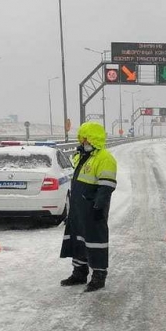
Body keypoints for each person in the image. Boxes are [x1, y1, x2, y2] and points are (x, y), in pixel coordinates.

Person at [59, 121, 117, 292]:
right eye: (81, 139)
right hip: (78, 209)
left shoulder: (104, 158)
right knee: (77, 239)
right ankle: (79, 273)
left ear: (93, 139)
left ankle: (99, 276)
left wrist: (98, 207)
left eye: (85, 139)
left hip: (93, 209)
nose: (82, 142)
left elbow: (106, 186)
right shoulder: (82, 156)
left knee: (95, 242)